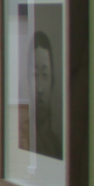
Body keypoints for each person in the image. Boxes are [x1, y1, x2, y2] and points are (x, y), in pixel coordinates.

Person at [31, 30, 62, 159]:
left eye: (45, 75)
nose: (39, 89)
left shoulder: (57, 146)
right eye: (34, 75)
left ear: (52, 81)